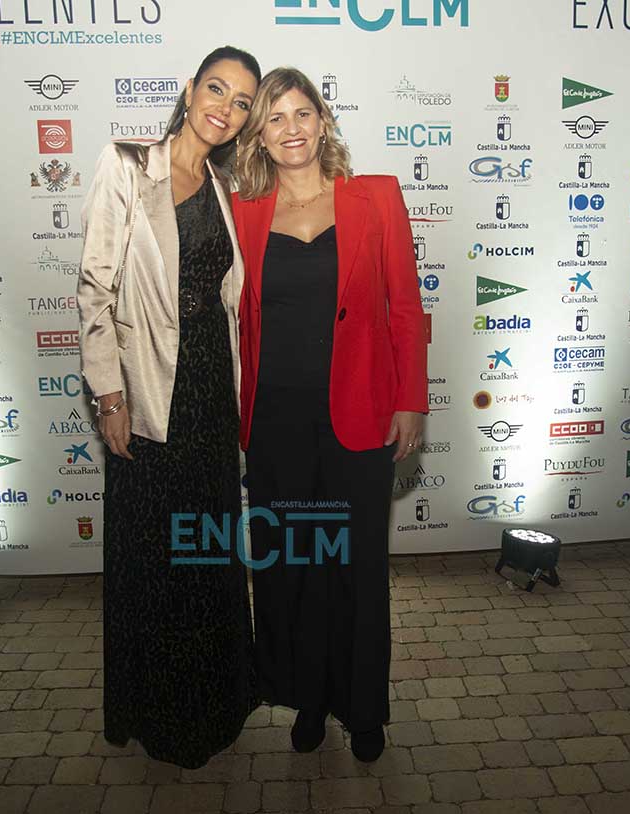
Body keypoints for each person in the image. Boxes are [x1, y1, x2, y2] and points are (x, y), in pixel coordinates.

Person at [230, 68, 427, 762]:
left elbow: (405, 306)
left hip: (360, 413)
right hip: (275, 421)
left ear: (323, 121)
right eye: (274, 117)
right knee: (296, 567)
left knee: (357, 568)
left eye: (302, 113)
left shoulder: (377, 197)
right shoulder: (243, 211)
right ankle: (308, 700)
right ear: (259, 135)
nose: (291, 128)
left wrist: (410, 399)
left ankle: (362, 709)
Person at [77, 46, 261, 769]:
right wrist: (109, 394)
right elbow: (95, 286)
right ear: (188, 92)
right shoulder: (127, 163)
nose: (225, 107)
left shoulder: (223, 185)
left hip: (211, 390)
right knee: (154, 555)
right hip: (150, 390)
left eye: (241, 101)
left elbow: (226, 298)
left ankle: (215, 703)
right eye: (216, 88)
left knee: (205, 548)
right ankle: (163, 714)